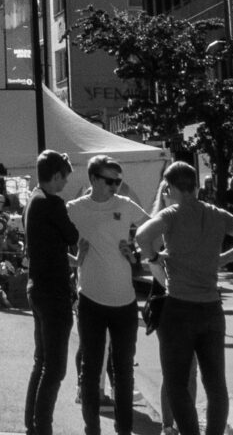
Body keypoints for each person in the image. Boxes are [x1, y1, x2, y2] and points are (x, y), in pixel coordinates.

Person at [138, 159, 233, 435]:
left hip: (178, 307)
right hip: (211, 309)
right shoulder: (216, 214)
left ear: (170, 187)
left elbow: (142, 235)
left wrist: (154, 258)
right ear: (195, 186)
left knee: (176, 383)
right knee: (215, 383)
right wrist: (223, 258)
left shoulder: (172, 214)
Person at [68, 155, 149, 435]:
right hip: (91, 300)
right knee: (91, 371)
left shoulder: (124, 205)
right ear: (92, 179)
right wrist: (73, 259)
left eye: (118, 181)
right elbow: (45, 239)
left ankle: (123, 430)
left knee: (124, 371)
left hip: (124, 302)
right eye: (109, 181)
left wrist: (137, 253)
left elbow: (154, 230)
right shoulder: (76, 208)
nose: (115, 186)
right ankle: (92, 429)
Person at [22, 150, 81, 435]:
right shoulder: (53, 203)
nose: (66, 183)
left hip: (37, 287)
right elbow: (72, 236)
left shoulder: (33, 200)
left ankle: (33, 424)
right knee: (55, 368)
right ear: (55, 175)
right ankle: (42, 426)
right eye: (64, 178)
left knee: (42, 361)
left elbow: (47, 246)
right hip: (53, 292)